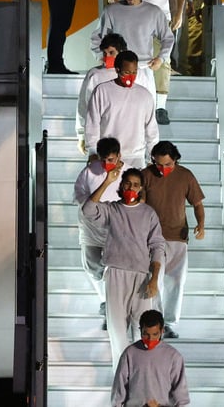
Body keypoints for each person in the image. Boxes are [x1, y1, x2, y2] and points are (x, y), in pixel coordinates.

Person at [82, 167, 166, 366]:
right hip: (116, 274)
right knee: (117, 330)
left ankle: (142, 375)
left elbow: (157, 246)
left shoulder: (148, 213)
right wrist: (107, 182)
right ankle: (121, 378)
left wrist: (154, 279)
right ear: (121, 186)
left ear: (141, 189)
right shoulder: (111, 209)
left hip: (141, 276)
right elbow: (88, 210)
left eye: (136, 185)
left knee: (142, 329)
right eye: (127, 183)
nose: (131, 188)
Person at [105, 0, 183, 125]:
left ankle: (160, 107)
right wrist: (118, 6)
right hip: (131, 17)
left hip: (159, 16)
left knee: (161, 60)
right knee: (128, 60)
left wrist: (179, 13)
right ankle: (127, 100)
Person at [140, 141, 205, 339]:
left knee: (176, 280)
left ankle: (168, 321)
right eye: (159, 165)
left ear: (175, 160)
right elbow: (140, 204)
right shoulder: (146, 174)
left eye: (167, 165)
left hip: (178, 236)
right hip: (153, 237)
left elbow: (197, 203)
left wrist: (201, 224)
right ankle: (157, 320)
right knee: (155, 279)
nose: (163, 169)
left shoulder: (185, 175)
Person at [72, 136, 131, 327]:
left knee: (116, 270)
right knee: (92, 267)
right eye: (104, 160)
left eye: (111, 160)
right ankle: (106, 302)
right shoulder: (90, 171)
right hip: (91, 228)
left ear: (119, 155)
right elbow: (82, 199)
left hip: (117, 228)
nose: (107, 164)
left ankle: (114, 309)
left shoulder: (129, 172)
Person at [90, 0, 171, 107]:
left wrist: (161, 58)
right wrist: (101, 57)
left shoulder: (153, 12)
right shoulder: (111, 10)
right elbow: (98, 37)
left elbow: (168, 38)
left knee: (145, 111)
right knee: (116, 109)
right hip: (116, 70)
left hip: (143, 68)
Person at [84, 50, 158, 170]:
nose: (131, 76)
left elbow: (151, 129)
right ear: (117, 69)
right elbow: (92, 124)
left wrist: (151, 157)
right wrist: (92, 151)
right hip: (108, 156)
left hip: (136, 157)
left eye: (134, 72)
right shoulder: (102, 91)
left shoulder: (145, 95)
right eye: (127, 72)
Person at [111, 309, 190, 407]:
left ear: (162, 331)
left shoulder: (174, 357)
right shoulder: (129, 354)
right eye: (146, 334)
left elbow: (181, 396)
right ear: (140, 330)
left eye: (155, 334)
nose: (150, 339)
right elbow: (119, 390)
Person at [77, 32, 129, 156]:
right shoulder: (94, 74)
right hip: (100, 137)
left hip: (127, 139)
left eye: (111, 53)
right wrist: (81, 135)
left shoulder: (133, 75)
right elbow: (83, 105)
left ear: (121, 52)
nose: (107, 56)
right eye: (105, 53)